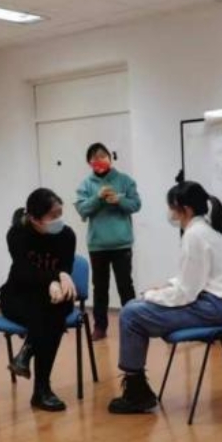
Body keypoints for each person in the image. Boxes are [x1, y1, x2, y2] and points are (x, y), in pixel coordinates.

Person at [108, 181, 222, 415]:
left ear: (186, 209)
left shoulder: (194, 235)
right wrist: (165, 287)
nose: (170, 212)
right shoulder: (205, 230)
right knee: (135, 307)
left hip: (212, 307)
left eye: (172, 207)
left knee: (131, 313)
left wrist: (152, 295)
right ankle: (137, 388)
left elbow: (185, 293)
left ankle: (136, 393)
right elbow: (194, 279)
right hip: (219, 304)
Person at [1, 188, 76, 412]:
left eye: (60, 213)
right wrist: (52, 279)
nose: (58, 220)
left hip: (52, 298)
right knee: (50, 317)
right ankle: (42, 390)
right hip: (18, 295)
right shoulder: (17, 234)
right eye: (53, 215)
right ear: (34, 218)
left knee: (53, 309)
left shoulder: (67, 235)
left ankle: (26, 354)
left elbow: (66, 267)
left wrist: (62, 277)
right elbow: (23, 271)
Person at [76, 142, 141, 341]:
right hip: (98, 245)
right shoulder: (86, 185)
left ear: (110, 158)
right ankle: (100, 327)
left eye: (103, 156)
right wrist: (98, 198)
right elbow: (82, 210)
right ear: (89, 162)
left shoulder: (125, 180)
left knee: (125, 285)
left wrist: (119, 200)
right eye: (94, 157)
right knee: (100, 287)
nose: (99, 160)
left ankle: (133, 324)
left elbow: (136, 204)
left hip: (122, 243)